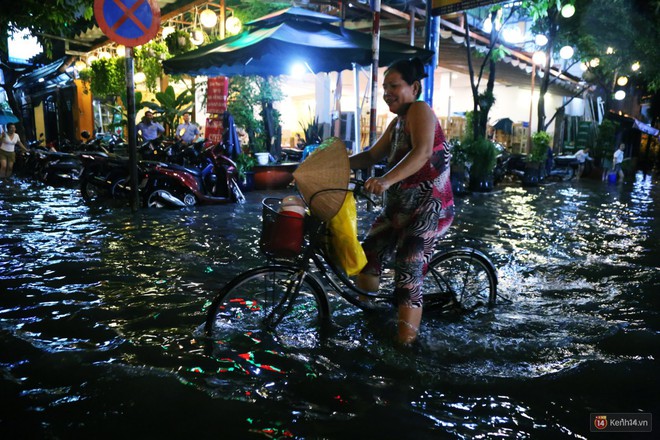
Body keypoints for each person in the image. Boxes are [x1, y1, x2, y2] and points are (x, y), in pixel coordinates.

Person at [348, 58, 454, 345]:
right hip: (398, 207)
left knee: (407, 273)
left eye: (394, 86)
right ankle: (368, 316)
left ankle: (405, 349)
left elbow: (421, 153)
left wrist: (384, 181)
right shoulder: (397, 122)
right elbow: (371, 156)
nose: (387, 93)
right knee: (368, 255)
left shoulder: (420, 110)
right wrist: (333, 166)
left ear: (414, 87)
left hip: (427, 209)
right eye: (385, 88)